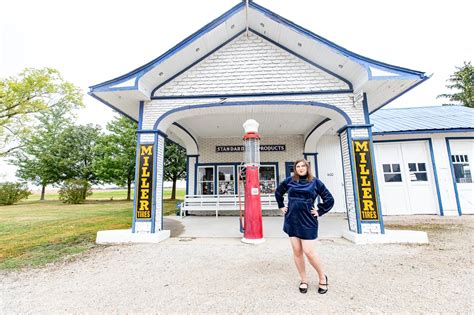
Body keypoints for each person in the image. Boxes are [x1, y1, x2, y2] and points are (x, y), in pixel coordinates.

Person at [275, 159, 334, 294]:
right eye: (298, 166)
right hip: (292, 220)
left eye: (303, 166)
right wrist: (281, 206)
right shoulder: (290, 181)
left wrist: (320, 211)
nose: (300, 168)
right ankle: (304, 279)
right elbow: (278, 192)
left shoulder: (315, 182)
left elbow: (329, 198)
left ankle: (322, 277)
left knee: (309, 252)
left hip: (308, 221)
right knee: (297, 251)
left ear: (307, 168)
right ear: (295, 169)